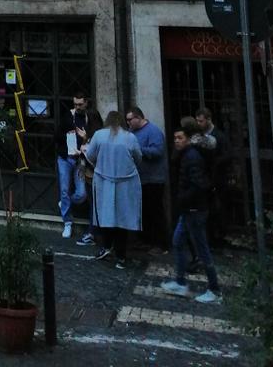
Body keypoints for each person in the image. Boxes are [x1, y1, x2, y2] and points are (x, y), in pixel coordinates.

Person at [161, 118, 221, 304]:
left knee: (201, 249)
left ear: (188, 138)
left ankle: (215, 289)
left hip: (195, 209)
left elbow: (199, 184)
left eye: (180, 138)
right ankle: (180, 282)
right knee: (178, 241)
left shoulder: (192, 157)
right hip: (189, 208)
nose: (176, 141)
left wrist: (183, 198)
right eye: (175, 138)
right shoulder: (188, 155)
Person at [84, 110, 142, 268]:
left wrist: (99, 165)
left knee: (106, 216)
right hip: (126, 183)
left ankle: (106, 246)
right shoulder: (130, 137)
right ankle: (121, 256)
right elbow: (138, 157)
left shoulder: (99, 136)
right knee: (122, 220)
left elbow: (90, 155)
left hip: (104, 182)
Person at [54, 91, 102, 243]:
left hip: (81, 160)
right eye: (75, 104)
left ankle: (65, 203)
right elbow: (56, 135)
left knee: (81, 194)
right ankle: (67, 222)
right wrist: (68, 136)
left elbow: (96, 136)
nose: (77, 107)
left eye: (80, 104)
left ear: (86, 103)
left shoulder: (91, 117)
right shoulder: (68, 116)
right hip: (66, 158)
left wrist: (85, 138)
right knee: (64, 189)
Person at [126, 106, 168, 251]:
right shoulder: (132, 132)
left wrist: (138, 149)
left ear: (138, 117)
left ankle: (161, 244)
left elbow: (158, 151)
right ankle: (146, 241)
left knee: (155, 211)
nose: (128, 123)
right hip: (140, 178)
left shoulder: (153, 131)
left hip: (153, 179)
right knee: (144, 212)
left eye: (130, 120)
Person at [195, 106, 231, 248]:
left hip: (217, 179)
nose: (199, 124)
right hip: (205, 179)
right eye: (197, 121)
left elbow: (228, 155)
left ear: (209, 120)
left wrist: (214, 162)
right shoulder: (199, 136)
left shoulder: (219, 136)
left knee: (218, 209)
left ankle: (219, 237)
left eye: (201, 121)